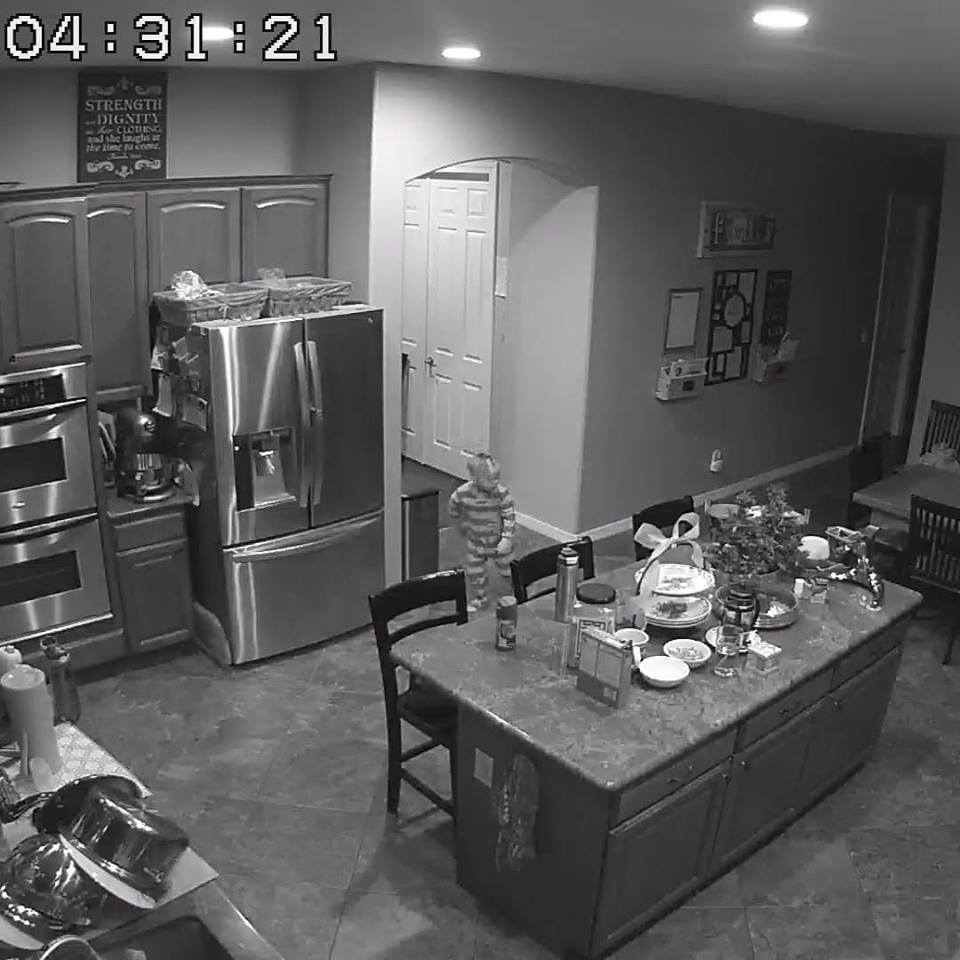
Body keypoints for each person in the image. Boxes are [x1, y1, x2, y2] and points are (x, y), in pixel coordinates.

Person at [448, 453, 516, 611]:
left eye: (497, 477)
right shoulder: (462, 493)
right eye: (490, 479)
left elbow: (509, 517)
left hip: (498, 540)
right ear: (475, 477)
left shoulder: (502, 494)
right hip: (476, 541)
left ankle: (518, 589)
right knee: (475, 572)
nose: (495, 482)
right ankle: (481, 598)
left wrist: (506, 539)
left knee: (509, 569)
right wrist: (460, 523)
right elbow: (453, 508)